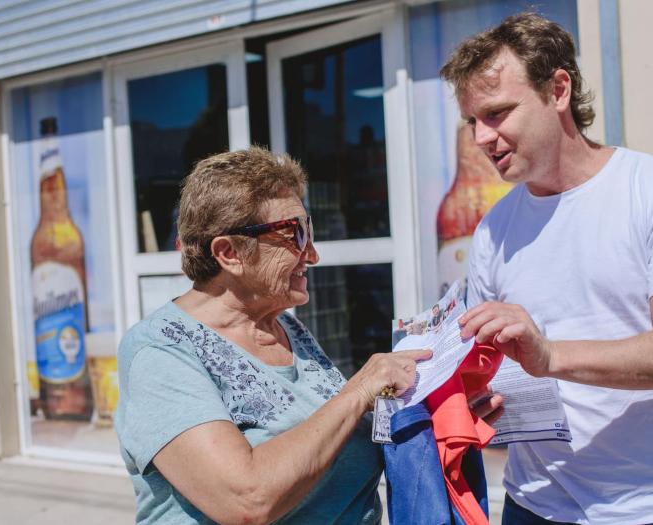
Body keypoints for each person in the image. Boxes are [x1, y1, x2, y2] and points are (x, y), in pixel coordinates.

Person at [443, 13, 653, 525]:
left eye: (498, 113)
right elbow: (489, 369)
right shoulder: (494, 229)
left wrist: (548, 354)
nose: (482, 137)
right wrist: (464, 390)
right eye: (472, 121)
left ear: (558, 90)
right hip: (533, 506)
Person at [114, 147, 431, 525]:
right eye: (293, 234)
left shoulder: (286, 329)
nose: (312, 254)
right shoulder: (159, 352)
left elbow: (334, 436)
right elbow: (246, 500)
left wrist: (428, 406)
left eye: (308, 231)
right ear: (229, 253)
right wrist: (358, 391)